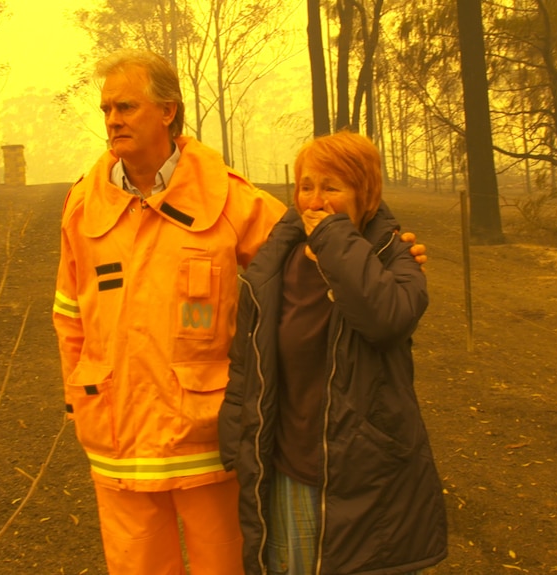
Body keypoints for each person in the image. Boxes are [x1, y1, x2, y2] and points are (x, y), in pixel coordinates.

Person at [52, 49, 428, 574]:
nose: (112, 120)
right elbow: (69, 313)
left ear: (167, 111)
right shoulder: (81, 206)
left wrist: (383, 252)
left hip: (204, 440)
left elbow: (312, 235)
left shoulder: (230, 199)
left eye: (126, 107)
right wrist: (79, 393)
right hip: (116, 437)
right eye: (107, 109)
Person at [217, 131, 447, 575]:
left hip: (367, 474)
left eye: (332, 187)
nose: (315, 200)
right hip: (287, 467)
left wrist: (334, 236)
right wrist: (237, 437)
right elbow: (249, 356)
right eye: (307, 186)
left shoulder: (394, 258)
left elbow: (385, 320)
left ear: (366, 194)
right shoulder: (275, 262)